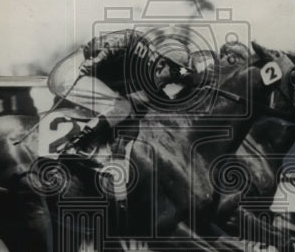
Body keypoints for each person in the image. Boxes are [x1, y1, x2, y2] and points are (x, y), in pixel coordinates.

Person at [45, 26, 199, 157]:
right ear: (162, 63)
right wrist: (96, 60)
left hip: (83, 78)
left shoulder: (151, 80)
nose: (171, 82)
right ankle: (75, 146)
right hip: (72, 72)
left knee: (131, 120)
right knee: (122, 107)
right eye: (174, 74)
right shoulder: (136, 44)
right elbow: (119, 42)